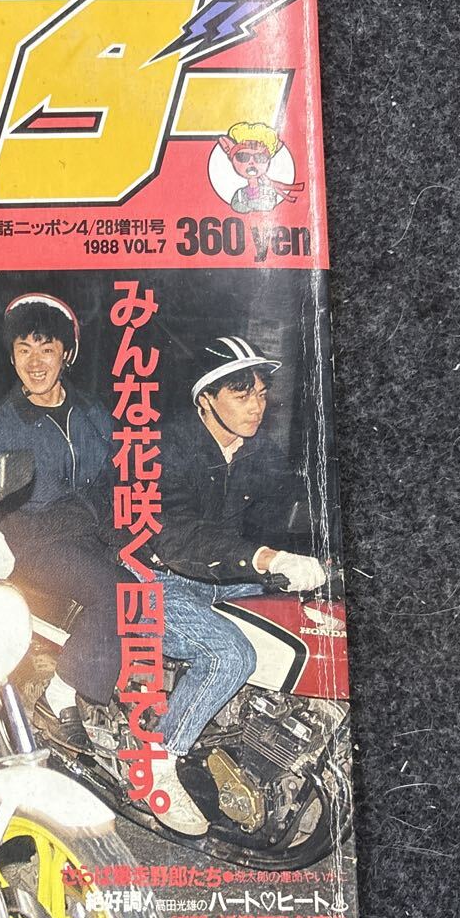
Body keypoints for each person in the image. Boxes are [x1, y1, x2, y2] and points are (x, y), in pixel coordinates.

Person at [144, 336, 327, 834]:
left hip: (223, 580)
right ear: (206, 399)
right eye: (241, 395)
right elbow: (176, 534)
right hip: (152, 578)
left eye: (261, 394)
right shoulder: (163, 448)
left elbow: (281, 521)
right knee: (230, 655)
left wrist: (315, 558)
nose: (256, 407)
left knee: (309, 623)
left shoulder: (259, 453)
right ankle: (157, 763)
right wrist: (265, 558)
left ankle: (274, 753)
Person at [0, 293, 132, 738]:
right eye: (24, 350)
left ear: (66, 354)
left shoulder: (93, 415)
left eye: (46, 349)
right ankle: (60, 694)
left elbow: (120, 478)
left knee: (151, 588)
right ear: (12, 357)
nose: (35, 363)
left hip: (90, 534)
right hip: (32, 541)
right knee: (115, 592)